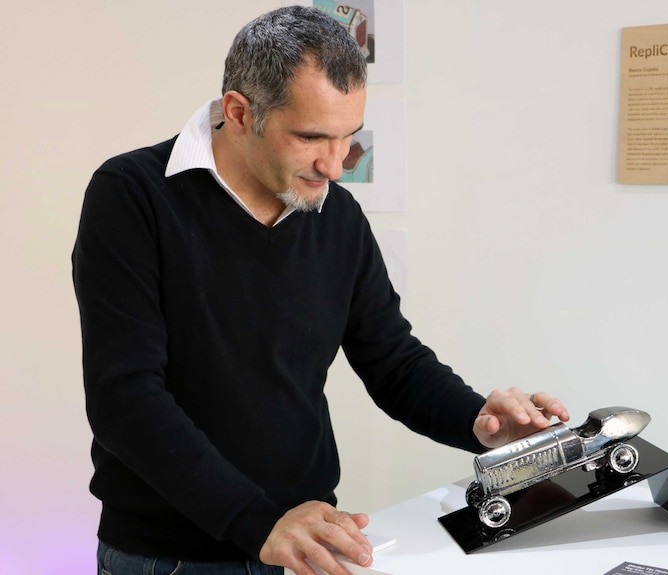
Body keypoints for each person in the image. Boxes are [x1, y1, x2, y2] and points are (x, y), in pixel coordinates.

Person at [72, 6, 569, 575]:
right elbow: (124, 398)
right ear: (239, 113)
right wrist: (255, 521)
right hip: (171, 556)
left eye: (348, 139)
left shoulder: (337, 215)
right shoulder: (132, 196)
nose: (334, 167)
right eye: (311, 137)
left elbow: (393, 361)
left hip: (307, 540)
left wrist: (479, 421)